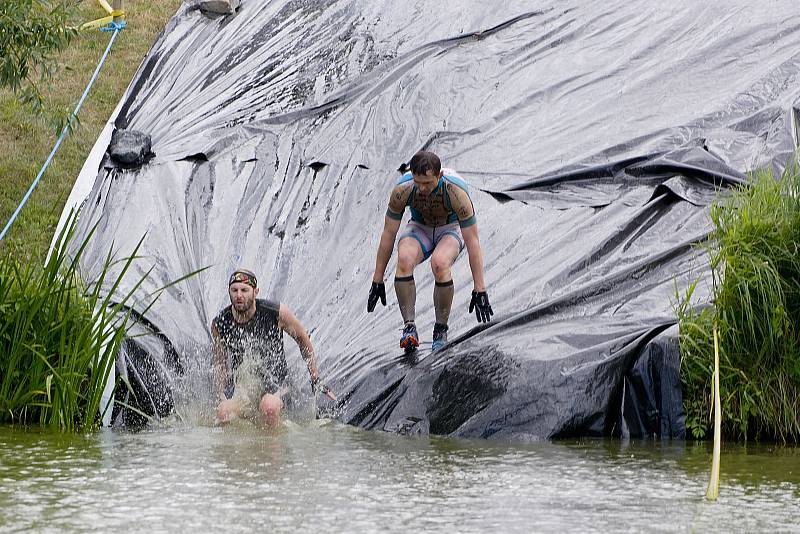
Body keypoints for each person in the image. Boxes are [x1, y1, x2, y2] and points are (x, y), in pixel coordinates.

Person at [367, 150, 493, 352]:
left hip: (450, 229)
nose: (422, 188)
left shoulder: (456, 193)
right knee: (405, 258)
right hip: (420, 226)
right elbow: (388, 233)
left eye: (427, 183)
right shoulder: (403, 190)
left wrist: (480, 288)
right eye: (418, 182)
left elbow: (472, 240)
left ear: (439, 176)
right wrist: (377, 278)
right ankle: (409, 327)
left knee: (440, 263)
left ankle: (440, 330)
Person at [212, 269, 335, 427]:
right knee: (224, 411)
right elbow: (219, 363)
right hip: (245, 388)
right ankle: (232, 451)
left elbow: (303, 339)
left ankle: (270, 451)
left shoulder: (275, 313)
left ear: (255, 292)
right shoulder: (220, 323)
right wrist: (220, 395)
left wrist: (315, 378)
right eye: (234, 290)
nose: (239, 295)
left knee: (269, 407)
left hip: (277, 385)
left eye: (244, 290)